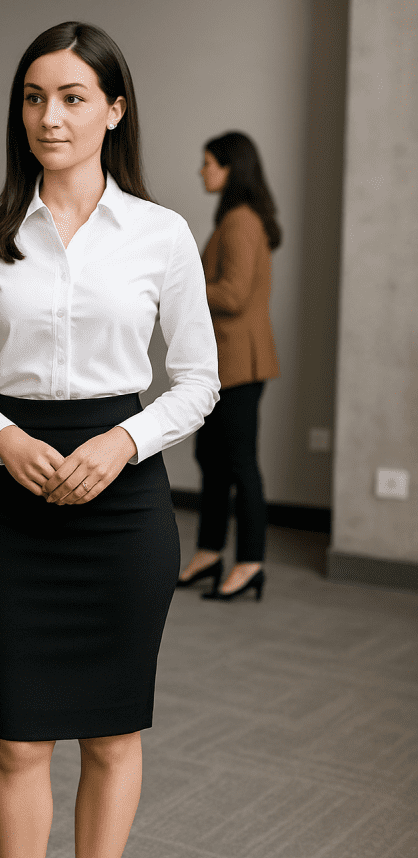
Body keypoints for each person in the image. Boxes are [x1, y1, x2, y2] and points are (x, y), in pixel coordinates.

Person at [0, 22, 219, 858]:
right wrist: (3, 442)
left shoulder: (161, 233)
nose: (49, 116)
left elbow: (196, 382)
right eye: (32, 97)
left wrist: (124, 442)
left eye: (71, 96)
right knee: (15, 738)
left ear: (113, 109)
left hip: (122, 497)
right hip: (9, 498)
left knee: (109, 733)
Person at [178, 131, 281, 601]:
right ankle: (210, 553)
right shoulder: (238, 219)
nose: (202, 171)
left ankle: (251, 562)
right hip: (227, 362)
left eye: (208, 163)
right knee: (212, 461)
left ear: (230, 168)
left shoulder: (241, 221)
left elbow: (234, 295)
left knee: (239, 465)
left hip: (239, 362)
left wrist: (180, 288)